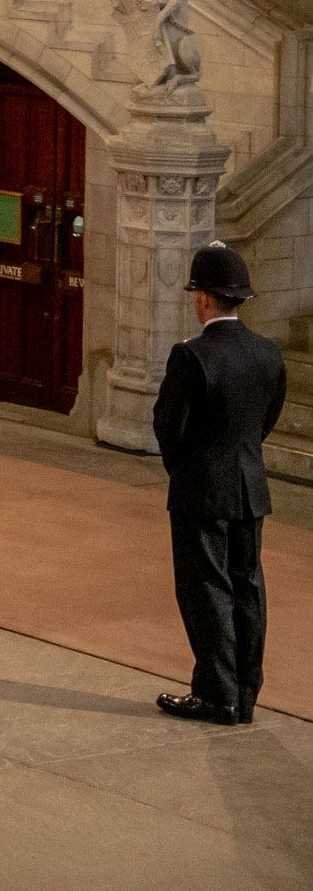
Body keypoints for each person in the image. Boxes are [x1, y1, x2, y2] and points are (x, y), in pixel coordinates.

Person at [153, 241, 286, 724]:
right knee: (248, 587)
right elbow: (265, 420)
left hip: (201, 490)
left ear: (204, 298)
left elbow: (168, 428)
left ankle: (216, 695)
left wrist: (186, 470)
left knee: (205, 590)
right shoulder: (268, 352)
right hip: (251, 488)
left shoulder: (191, 356)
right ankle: (246, 694)